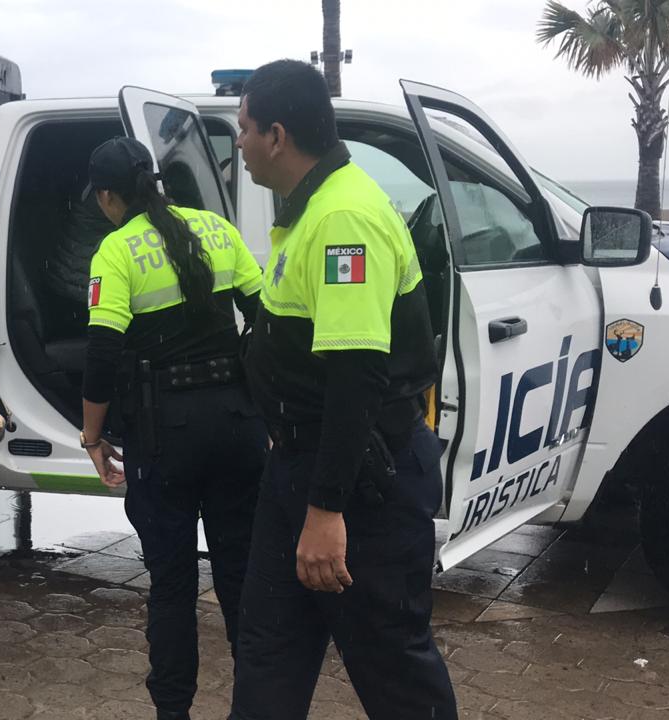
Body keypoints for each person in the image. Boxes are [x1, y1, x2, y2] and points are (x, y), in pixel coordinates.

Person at [228, 60, 458, 719]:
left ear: (276, 136)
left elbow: (357, 377)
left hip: (360, 485)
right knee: (267, 652)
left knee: (392, 667)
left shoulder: (343, 219)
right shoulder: (312, 209)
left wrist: (327, 510)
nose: (238, 143)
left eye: (243, 129)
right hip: (300, 468)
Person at [81, 137, 268, 720]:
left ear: (108, 196)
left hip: (165, 436)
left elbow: (101, 356)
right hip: (237, 425)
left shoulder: (116, 251)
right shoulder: (217, 228)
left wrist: (93, 438)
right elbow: (268, 322)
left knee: (172, 584)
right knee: (242, 576)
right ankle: (259, 704)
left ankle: (173, 711)